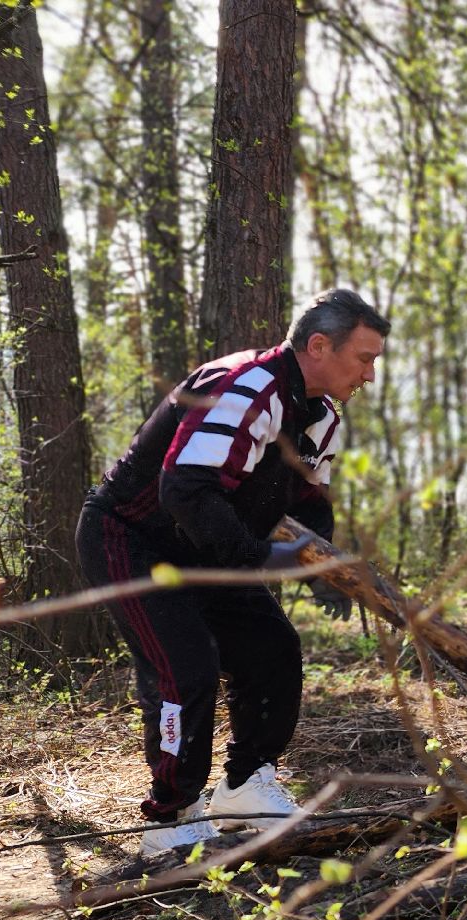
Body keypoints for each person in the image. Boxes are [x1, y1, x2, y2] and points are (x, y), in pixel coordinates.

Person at [75, 289, 388, 857]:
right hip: (133, 538)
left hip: (209, 547)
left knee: (272, 650)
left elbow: (306, 499)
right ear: (319, 346)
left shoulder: (320, 415)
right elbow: (187, 487)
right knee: (186, 668)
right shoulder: (248, 385)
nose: (370, 373)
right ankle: (170, 816)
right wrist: (251, 560)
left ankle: (245, 787)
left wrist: (325, 565)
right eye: (364, 358)